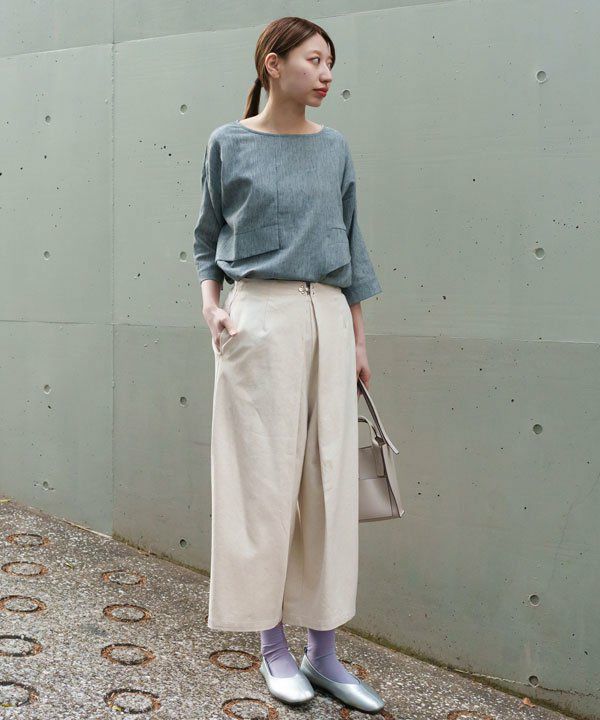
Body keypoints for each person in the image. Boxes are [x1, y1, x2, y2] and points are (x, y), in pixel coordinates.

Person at [193, 16, 385, 713]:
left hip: (327, 316)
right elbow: (206, 240)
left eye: (330, 61)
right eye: (313, 59)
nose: (326, 73)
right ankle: (273, 646)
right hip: (258, 318)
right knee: (261, 485)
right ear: (273, 64)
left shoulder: (334, 148)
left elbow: (351, 246)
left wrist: (358, 340)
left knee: (329, 483)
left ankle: (324, 653)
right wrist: (212, 308)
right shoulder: (229, 142)